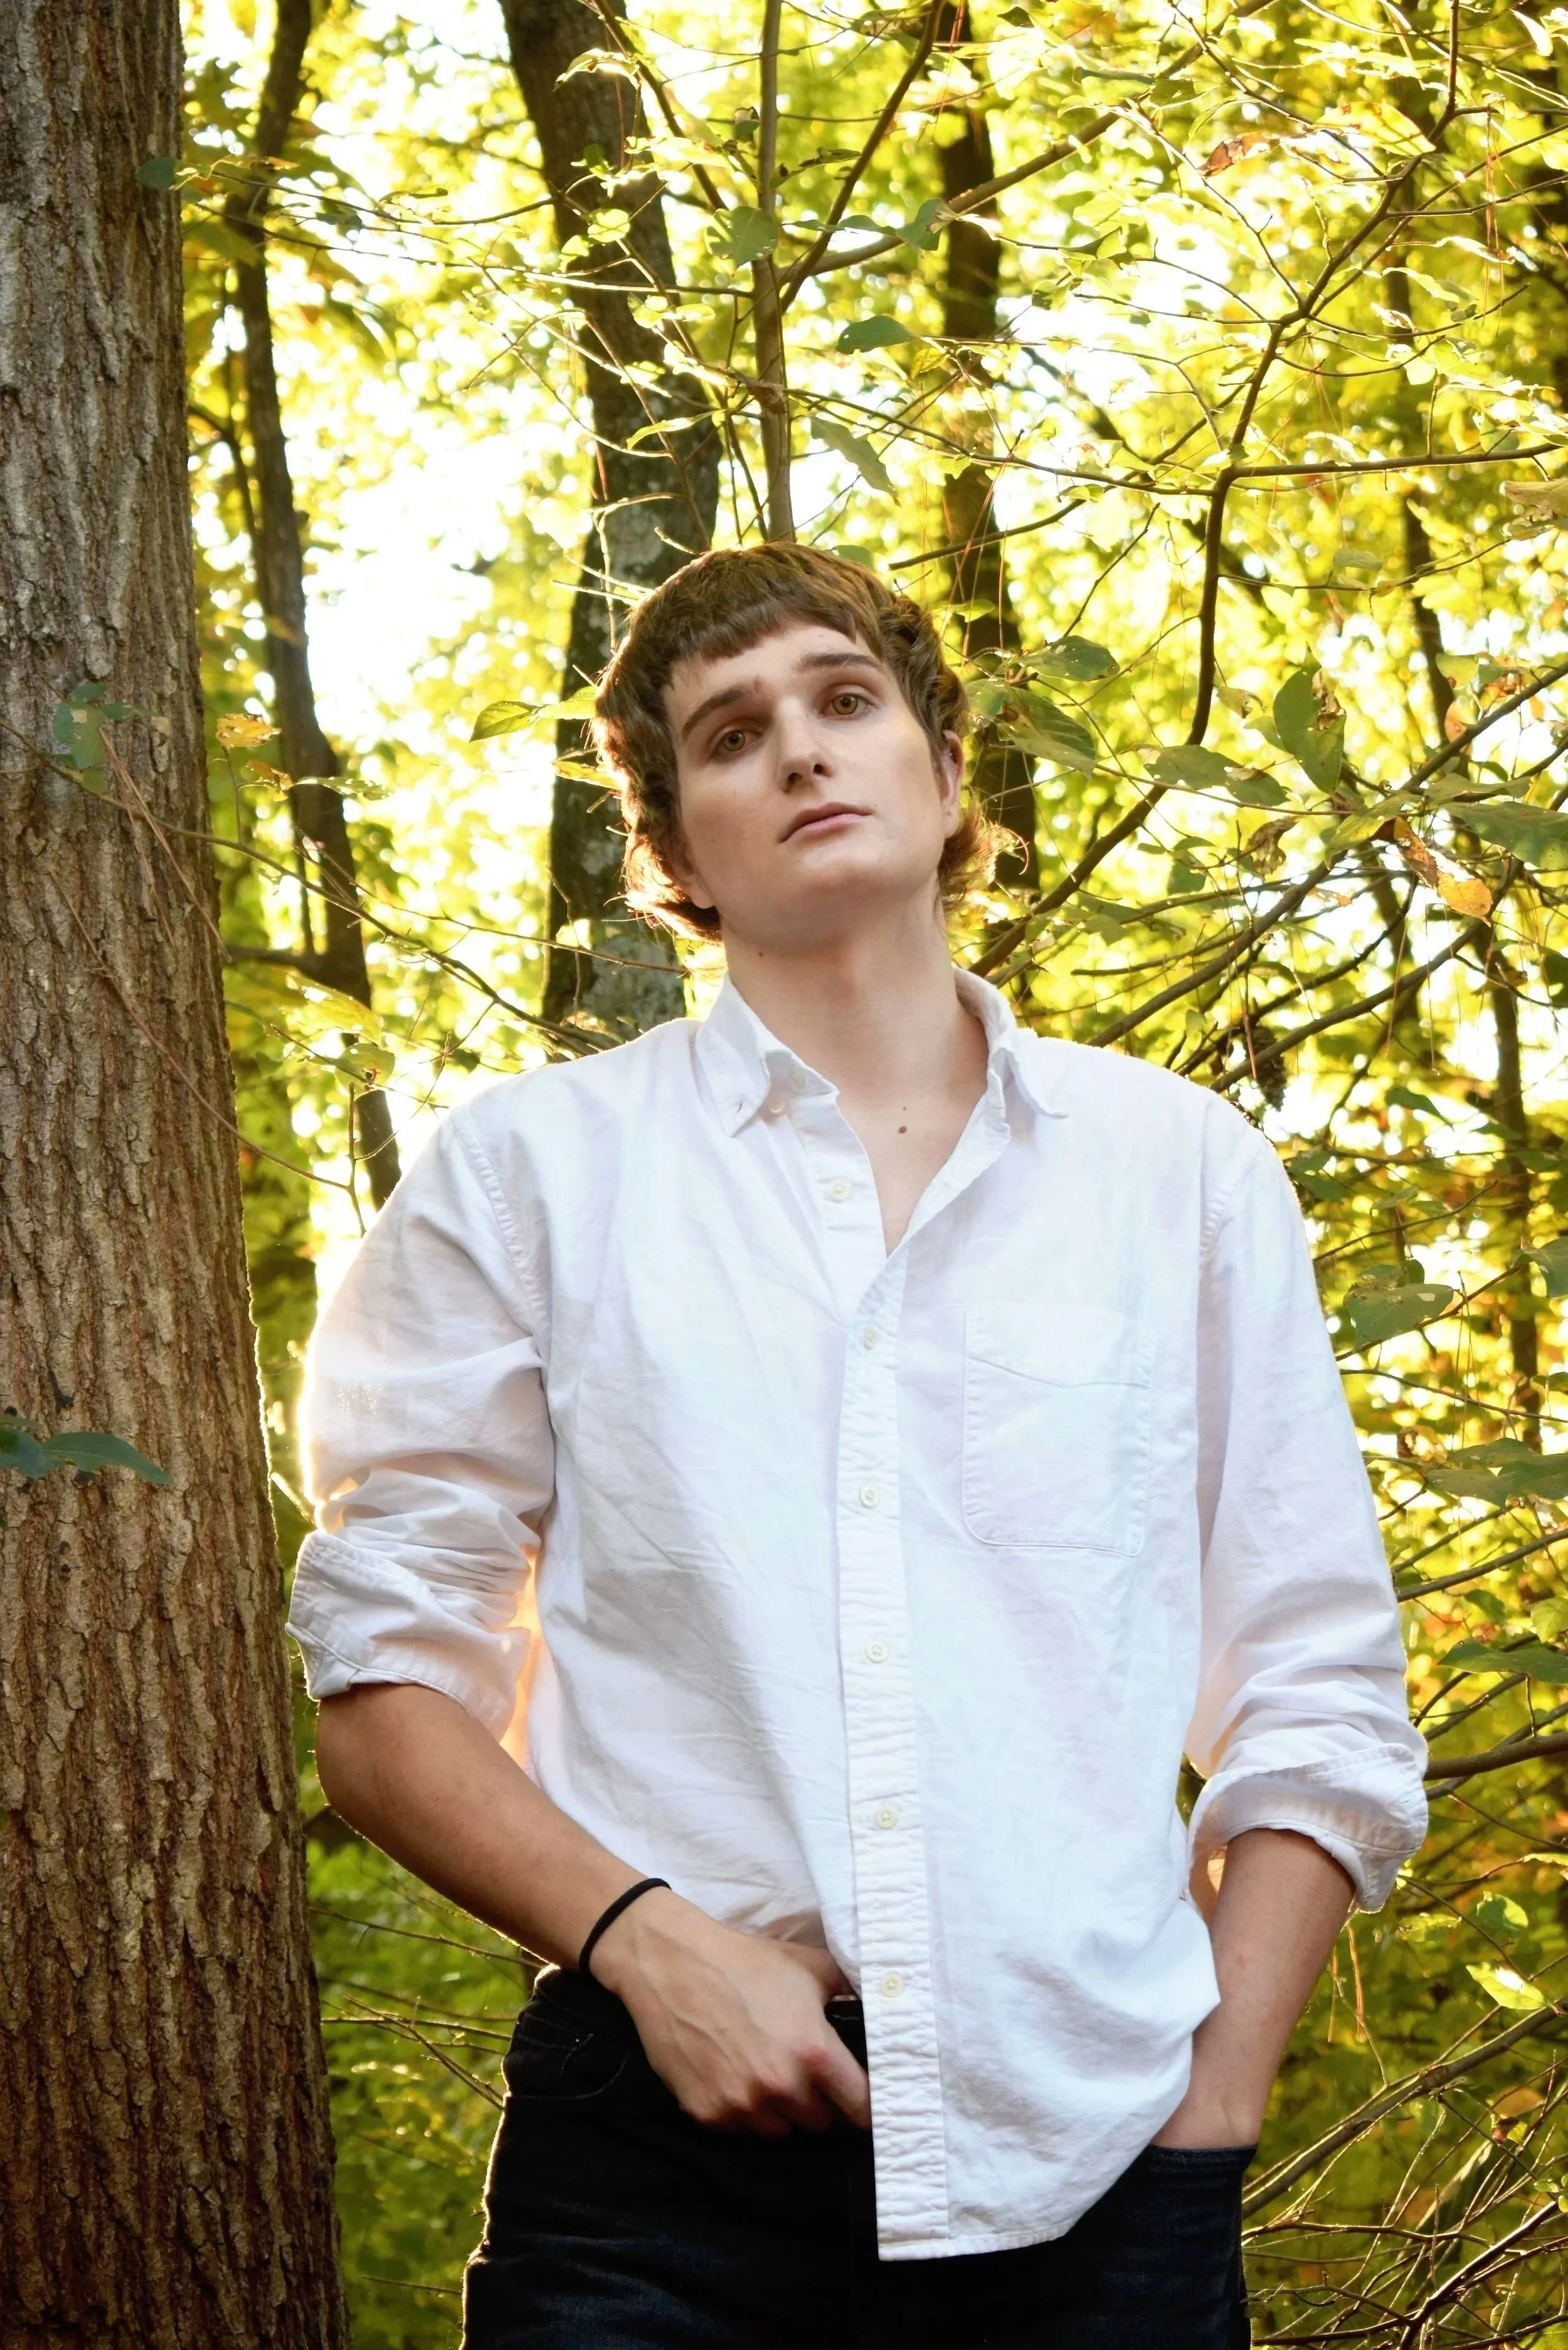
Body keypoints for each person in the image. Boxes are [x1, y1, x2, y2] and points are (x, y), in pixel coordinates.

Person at [287, 543, 1427, 2349]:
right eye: (730, 736)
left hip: (1104, 2158)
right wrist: (653, 1948)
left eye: (844, 701)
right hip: (655, 2175)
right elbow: (384, 1685)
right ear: (672, 853)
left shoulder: (1176, 1171)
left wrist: (1217, 2097)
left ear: (942, 769)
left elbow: (1315, 1681)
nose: (802, 754)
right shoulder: (525, 1178)